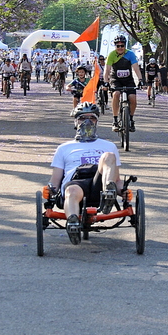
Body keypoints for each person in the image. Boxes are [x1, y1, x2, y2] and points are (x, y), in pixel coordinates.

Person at [48, 102, 123, 245]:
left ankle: (109, 192)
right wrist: (51, 189)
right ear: (76, 121)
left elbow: (117, 178)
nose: (87, 122)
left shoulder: (109, 146)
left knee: (108, 156)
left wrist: (122, 190)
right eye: (82, 118)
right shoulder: (64, 148)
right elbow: (55, 179)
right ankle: (73, 223)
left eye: (92, 118)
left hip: (99, 182)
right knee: (71, 191)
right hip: (76, 181)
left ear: (97, 121)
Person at [105, 35, 143, 132]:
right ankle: (115, 120)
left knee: (132, 98)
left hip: (128, 80)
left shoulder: (130, 54)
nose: (120, 48)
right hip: (116, 79)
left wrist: (140, 80)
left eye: (122, 46)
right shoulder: (112, 55)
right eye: (118, 46)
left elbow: (136, 67)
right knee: (116, 94)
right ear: (115, 46)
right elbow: (107, 70)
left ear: (125, 46)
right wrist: (106, 82)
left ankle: (131, 119)